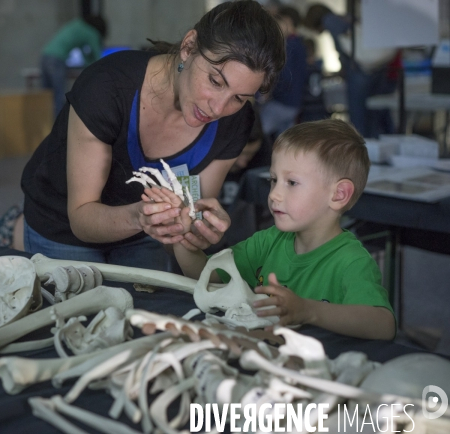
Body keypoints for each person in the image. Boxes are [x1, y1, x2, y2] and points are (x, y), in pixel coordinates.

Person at [20, 0, 285, 271]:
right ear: (189, 46)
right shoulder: (107, 88)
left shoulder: (234, 122)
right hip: (62, 229)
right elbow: (82, 218)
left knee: (150, 310)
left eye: (239, 98)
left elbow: (192, 209)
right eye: (216, 82)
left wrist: (197, 227)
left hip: (142, 235)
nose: (218, 109)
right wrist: (140, 218)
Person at [148, 119, 395, 340]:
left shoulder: (352, 262)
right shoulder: (268, 241)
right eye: (273, 180)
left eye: (292, 183)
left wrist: (308, 311)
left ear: (339, 195)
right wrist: (181, 236)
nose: (274, 194)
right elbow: (206, 277)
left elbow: (383, 325)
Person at [304, 4, 399, 138]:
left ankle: (363, 151)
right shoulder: (345, 17)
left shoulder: (330, 20)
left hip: (359, 72)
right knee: (374, 114)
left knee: (359, 118)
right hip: (376, 69)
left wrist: (344, 65)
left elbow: (343, 47)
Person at [40, 15, 107, 119]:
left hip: (45, 56)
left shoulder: (78, 25)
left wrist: (88, 64)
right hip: (57, 60)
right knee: (58, 97)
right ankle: (59, 133)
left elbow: (84, 53)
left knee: (46, 97)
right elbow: (97, 56)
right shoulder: (92, 33)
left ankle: (46, 129)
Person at [257, 5, 308, 139]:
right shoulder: (300, 44)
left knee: (255, 134)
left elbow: (283, 74)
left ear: (287, 22)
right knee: (284, 142)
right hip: (295, 103)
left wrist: (267, 94)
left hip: (282, 102)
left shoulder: (287, 45)